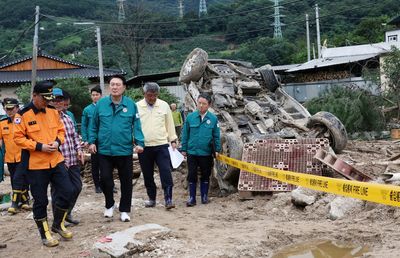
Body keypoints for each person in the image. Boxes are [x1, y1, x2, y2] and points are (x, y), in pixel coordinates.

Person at [13, 81, 74, 247]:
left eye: (49, 99)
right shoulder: (22, 115)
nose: (47, 102)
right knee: (41, 201)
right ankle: (45, 233)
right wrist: (39, 146)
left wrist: (57, 142)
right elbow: (18, 138)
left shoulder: (53, 111)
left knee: (68, 191)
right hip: (36, 165)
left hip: (56, 160)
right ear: (34, 96)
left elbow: (61, 131)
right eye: (44, 99)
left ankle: (58, 224)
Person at [88, 75, 144, 222]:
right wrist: (92, 141)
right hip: (105, 150)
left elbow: (137, 126)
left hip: (124, 150)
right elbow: (93, 125)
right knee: (105, 179)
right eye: (112, 84)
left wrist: (139, 143)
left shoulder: (131, 105)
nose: (114, 87)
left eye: (118, 84)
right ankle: (109, 204)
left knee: (126, 181)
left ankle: (125, 210)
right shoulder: (101, 104)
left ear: (124, 87)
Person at [136, 82, 177, 210]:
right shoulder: (137, 106)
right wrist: (135, 142)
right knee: (147, 174)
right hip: (144, 146)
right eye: (149, 95)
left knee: (165, 172)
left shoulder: (164, 105)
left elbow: (169, 124)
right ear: (144, 94)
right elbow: (134, 127)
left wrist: (173, 139)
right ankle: (151, 198)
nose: (152, 98)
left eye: (154, 95)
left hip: (161, 145)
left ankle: (168, 199)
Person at [50, 88, 84, 225]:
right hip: (58, 161)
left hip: (72, 159)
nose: (58, 102)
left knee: (77, 187)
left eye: (60, 99)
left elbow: (74, 136)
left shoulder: (67, 117)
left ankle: (67, 212)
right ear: (50, 101)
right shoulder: (48, 119)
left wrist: (80, 150)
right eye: (55, 100)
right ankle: (59, 220)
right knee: (58, 191)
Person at [181, 93, 221, 206]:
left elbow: (216, 136)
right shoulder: (190, 117)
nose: (201, 106)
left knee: (205, 174)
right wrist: (184, 148)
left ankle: (204, 197)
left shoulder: (213, 119)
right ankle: (192, 198)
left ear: (209, 105)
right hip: (192, 152)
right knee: (192, 174)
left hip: (206, 152)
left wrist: (217, 149)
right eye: (199, 103)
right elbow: (185, 134)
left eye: (204, 104)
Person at [0, 98, 30, 214]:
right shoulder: (2, 123)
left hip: (23, 155)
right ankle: (25, 200)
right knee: (15, 179)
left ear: (17, 108)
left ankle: (14, 203)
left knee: (19, 178)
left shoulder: (23, 120)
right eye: (7, 109)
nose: (10, 111)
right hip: (10, 157)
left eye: (12, 108)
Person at [81, 85, 102, 193]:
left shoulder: (105, 107)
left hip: (105, 140)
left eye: (97, 95)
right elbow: (84, 126)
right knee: (95, 163)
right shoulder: (87, 109)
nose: (95, 97)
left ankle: (108, 185)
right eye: (93, 95)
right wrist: (85, 139)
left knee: (108, 163)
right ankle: (97, 185)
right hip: (93, 140)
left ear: (101, 95)